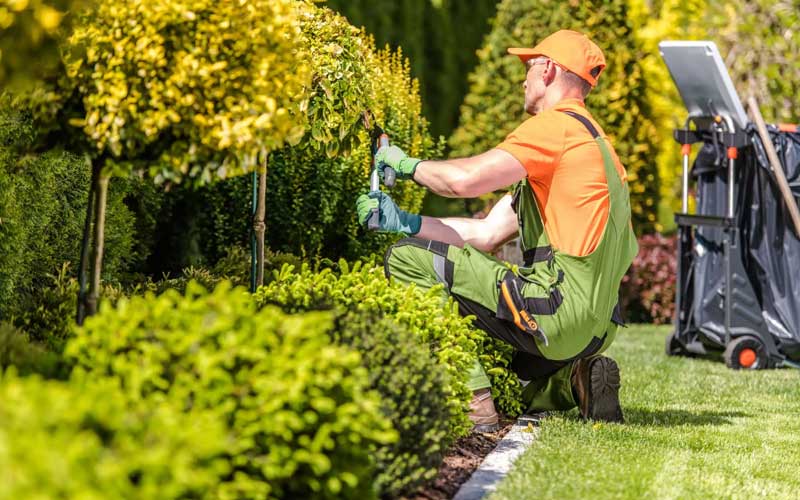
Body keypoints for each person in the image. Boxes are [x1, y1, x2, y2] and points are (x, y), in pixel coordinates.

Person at [356, 30, 638, 431]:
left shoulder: (555, 128)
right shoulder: (596, 146)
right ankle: (573, 382)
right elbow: (487, 233)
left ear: (549, 70)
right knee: (507, 369)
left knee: (405, 258)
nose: (523, 78)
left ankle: (472, 404)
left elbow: (463, 181)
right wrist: (405, 222)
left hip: (556, 311)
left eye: (528, 67)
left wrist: (406, 165)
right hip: (595, 328)